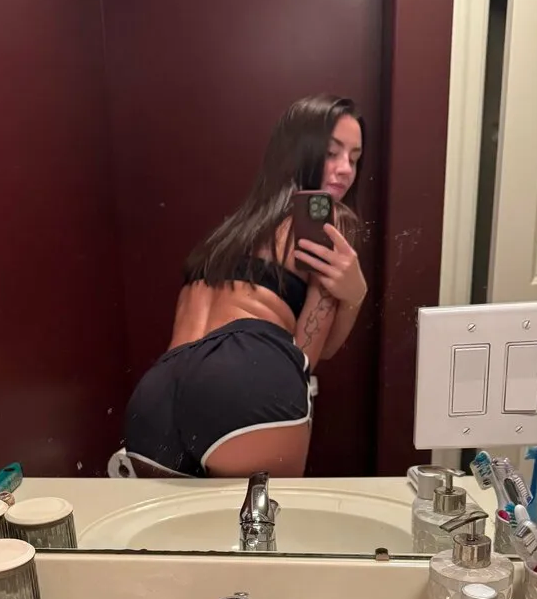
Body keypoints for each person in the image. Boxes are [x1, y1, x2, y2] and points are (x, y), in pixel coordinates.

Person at [123, 94, 368, 479]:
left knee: (182, 521)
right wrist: (354, 296)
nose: (345, 170)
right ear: (299, 151)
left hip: (158, 392)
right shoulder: (324, 218)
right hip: (246, 376)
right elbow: (304, 356)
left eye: (354, 158)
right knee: (267, 517)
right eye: (331, 153)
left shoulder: (231, 232)